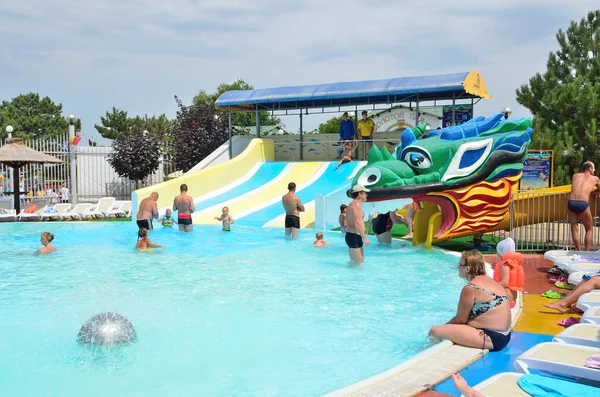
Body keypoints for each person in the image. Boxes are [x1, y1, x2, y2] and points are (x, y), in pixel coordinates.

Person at [429, 250, 512, 352]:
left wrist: (443, 327)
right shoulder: (492, 282)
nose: (457, 267)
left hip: (492, 338)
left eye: (460, 264)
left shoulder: (471, 288)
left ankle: (434, 356)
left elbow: (460, 320)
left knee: (434, 331)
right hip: (506, 336)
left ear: (467, 268)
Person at [568, 161, 600, 250]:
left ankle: (578, 251)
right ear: (589, 168)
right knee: (589, 229)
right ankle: (586, 253)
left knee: (574, 228)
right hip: (583, 203)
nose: (595, 170)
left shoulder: (575, 176)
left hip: (571, 202)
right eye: (593, 168)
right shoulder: (595, 178)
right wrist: (593, 193)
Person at [493, 238, 524, 308]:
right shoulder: (514, 262)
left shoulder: (505, 265)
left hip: (505, 301)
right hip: (511, 300)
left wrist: (491, 286)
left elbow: (504, 282)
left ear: (501, 253)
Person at [345, 184, 371, 264]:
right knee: (358, 263)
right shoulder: (356, 205)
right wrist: (365, 238)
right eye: (365, 193)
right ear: (360, 194)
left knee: (358, 262)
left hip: (354, 236)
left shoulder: (355, 204)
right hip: (354, 236)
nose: (366, 195)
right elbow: (357, 222)